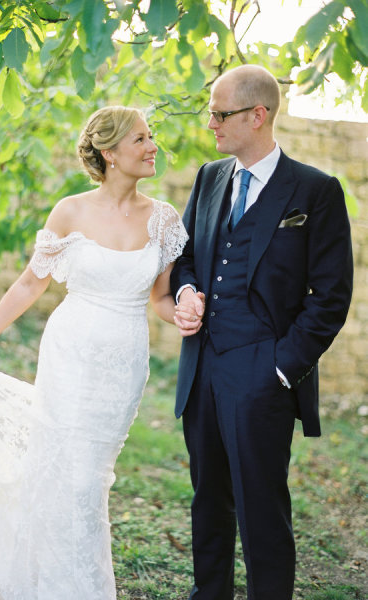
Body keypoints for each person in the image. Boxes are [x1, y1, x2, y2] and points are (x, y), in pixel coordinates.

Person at [0, 106, 191, 600]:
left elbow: (159, 298)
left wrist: (186, 313)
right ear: (110, 153)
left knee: (90, 478)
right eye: (140, 139)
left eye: (151, 137)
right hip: (69, 356)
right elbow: (31, 283)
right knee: (60, 472)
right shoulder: (70, 211)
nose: (153, 147)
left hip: (123, 365)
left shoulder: (164, 220)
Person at [170, 65, 353, 600]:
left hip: (264, 374)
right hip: (202, 369)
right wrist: (186, 292)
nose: (210, 124)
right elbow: (185, 258)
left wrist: (281, 368)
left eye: (219, 114)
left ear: (257, 115)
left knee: (262, 511)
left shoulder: (316, 191)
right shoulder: (209, 177)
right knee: (207, 502)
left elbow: (331, 297)